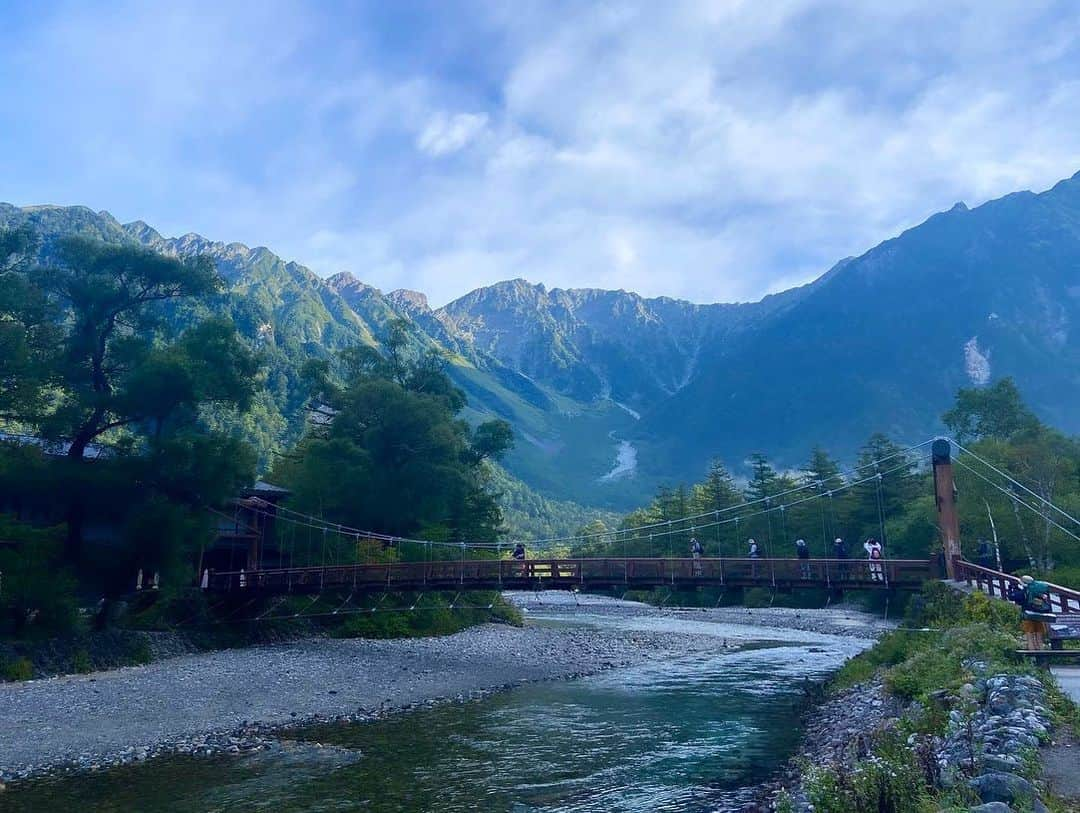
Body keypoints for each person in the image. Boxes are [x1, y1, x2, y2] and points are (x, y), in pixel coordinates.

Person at [1020, 575, 1055, 650]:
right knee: (1039, 638)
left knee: (1030, 637)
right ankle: (1042, 655)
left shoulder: (1026, 591)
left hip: (1028, 616)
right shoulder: (1040, 592)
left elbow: (1015, 598)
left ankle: (1033, 655)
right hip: (1039, 616)